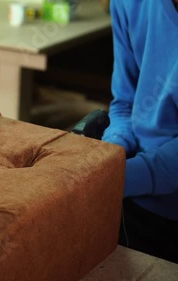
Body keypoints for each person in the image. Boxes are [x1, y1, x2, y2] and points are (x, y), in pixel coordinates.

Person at [102, 0, 178, 263]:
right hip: (134, 195)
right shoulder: (128, 3)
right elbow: (124, 102)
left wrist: (114, 179)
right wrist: (113, 150)